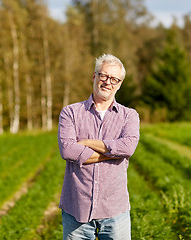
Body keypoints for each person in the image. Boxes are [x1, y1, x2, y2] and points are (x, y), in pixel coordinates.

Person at [58, 53, 140, 240]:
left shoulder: (129, 116)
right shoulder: (70, 113)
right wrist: (114, 152)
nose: (107, 82)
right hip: (77, 209)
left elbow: (127, 148)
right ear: (94, 77)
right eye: (103, 76)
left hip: (114, 210)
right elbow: (68, 150)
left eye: (114, 79)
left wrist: (86, 144)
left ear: (119, 84)